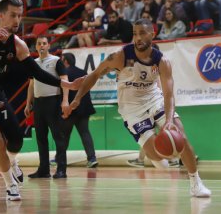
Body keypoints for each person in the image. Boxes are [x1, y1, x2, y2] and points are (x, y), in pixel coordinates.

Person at [0, 0, 81, 201]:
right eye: (12, 15)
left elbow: (36, 72)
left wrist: (65, 84)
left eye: (19, 16)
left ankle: (12, 160)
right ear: (1, 16)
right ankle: (10, 184)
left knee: (17, 139)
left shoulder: (18, 45)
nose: (17, 21)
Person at [65, 19, 211, 197]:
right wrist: (77, 98)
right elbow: (95, 74)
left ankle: (196, 182)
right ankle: (155, 157)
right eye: (135, 34)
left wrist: (170, 121)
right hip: (131, 109)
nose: (138, 38)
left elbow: (169, 94)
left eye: (142, 33)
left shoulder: (162, 62)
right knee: (157, 156)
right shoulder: (120, 56)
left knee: (181, 135)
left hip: (154, 99)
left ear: (152, 34)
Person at [24, 36, 69, 179]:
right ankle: (43, 170)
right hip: (38, 104)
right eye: (39, 44)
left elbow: (65, 81)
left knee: (58, 137)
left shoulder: (56, 61)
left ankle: (61, 170)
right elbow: (31, 84)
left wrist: (65, 101)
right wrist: (28, 103)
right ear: (36, 47)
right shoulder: (33, 63)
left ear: (48, 45)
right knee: (41, 138)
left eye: (44, 43)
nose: (42, 46)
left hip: (53, 102)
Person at [62, 53, 98, 168]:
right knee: (85, 133)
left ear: (65, 61)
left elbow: (64, 94)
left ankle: (59, 158)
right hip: (84, 110)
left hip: (71, 110)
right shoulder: (83, 72)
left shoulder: (64, 74)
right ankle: (92, 159)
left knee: (64, 135)